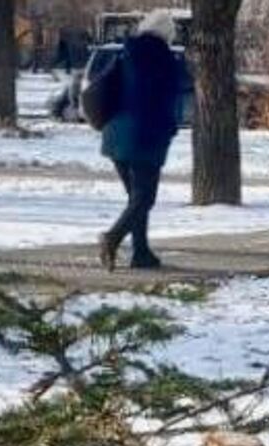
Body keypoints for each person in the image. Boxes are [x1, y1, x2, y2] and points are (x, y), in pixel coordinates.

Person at [95, 12, 185, 272]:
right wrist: (169, 129)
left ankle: (141, 253)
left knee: (136, 199)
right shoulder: (166, 61)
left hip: (115, 135)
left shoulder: (125, 53)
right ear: (167, 33)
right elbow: (168, 101)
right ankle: (111, 238)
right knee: (144, 199)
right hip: (145, 137)